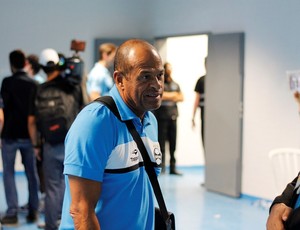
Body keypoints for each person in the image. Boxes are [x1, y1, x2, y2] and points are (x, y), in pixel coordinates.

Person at [59, 39, 164, 230]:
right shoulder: (96, 123)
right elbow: (81, 211)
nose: (156, 85)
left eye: (159, 75)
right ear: (119, 80)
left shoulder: (150, 121)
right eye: (145, 76)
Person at [28, 48, 84, 230]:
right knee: (77, 188)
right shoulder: (72, 87)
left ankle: (52, 226)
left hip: (50, 146)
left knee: (52, 189)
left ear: (42, 68)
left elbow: (31, 122)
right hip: (73, 145)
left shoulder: (39, 90)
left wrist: (36, 145)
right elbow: (85, 112)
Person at [0, 49, 40, 225]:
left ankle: (12, 212)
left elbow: (2, 112)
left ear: (11, 64)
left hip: (9, 135)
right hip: (28, 136)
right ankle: (33, 210)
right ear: (25, 63)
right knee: (32, 173)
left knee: (8, 173)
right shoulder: (33, 84)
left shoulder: (6, 82)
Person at [153, 62, 184, 175]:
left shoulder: (175, 84)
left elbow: (181, 97)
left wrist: (168, 95)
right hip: (162, 118)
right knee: (161, 145)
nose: (170, 71)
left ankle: (172, 167)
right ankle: (161, 167)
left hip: (173, 117)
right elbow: (161, 95)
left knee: (173, 144)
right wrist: (173, 96)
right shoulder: (159, 84)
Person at [192, 58, 206, 150]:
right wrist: (193, 117)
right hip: (204, 114)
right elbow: (197, 100)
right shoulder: (201, 80)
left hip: (213, 115)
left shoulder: (218, 80)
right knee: (205, 139)